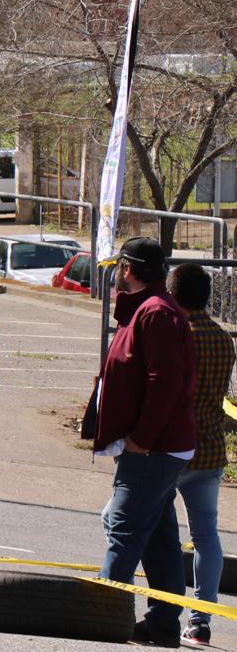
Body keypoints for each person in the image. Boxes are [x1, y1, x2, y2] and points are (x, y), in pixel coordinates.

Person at [86, 237, 196, 648]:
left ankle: (104, 618)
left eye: (120, 266)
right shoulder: (144, 309)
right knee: (159, 536)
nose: (116, 271)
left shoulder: (157, 314)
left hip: (154, 448)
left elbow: (164, 382)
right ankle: (164, 624)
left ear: (129, 268)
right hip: (157, 446)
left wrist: (141, 440)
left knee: (124, 527)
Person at [166, 263, 234, 649]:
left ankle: (162, 608)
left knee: (140, 524)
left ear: (174, 296)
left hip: (173, 449)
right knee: (206, 536)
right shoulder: (224, 339)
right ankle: (201, 620)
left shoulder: (178, 336)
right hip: (210, 448)